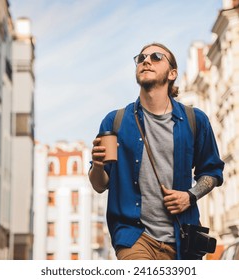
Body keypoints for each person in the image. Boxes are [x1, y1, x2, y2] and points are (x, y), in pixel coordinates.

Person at [89, 42, 224, 260]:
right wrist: (97, 165)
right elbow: (99, 185)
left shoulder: (195, 120)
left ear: (172, 73)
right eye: (141, 58)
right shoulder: (115, 121)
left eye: (156, 57)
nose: (146, 61)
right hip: (134, 237)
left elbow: (213, 172)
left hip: (183, 240)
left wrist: (190, 196)